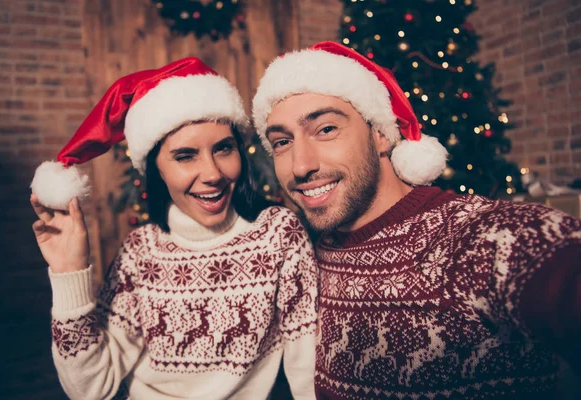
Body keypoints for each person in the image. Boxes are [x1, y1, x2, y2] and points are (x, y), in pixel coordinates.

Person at [251, 41, 581, 399]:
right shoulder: (304, 255)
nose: (300, 165)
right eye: (282, 141)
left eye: (326, 129)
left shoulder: (480, 238)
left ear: (380, 134)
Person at [29, 57, 317, 400]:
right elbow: (90, 389)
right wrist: (68, 276)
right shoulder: (141, 251)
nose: (212, 174)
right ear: (157, 170)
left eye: (223, 149)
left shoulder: (279, 235)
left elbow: (307, 372)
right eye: (185, 156)